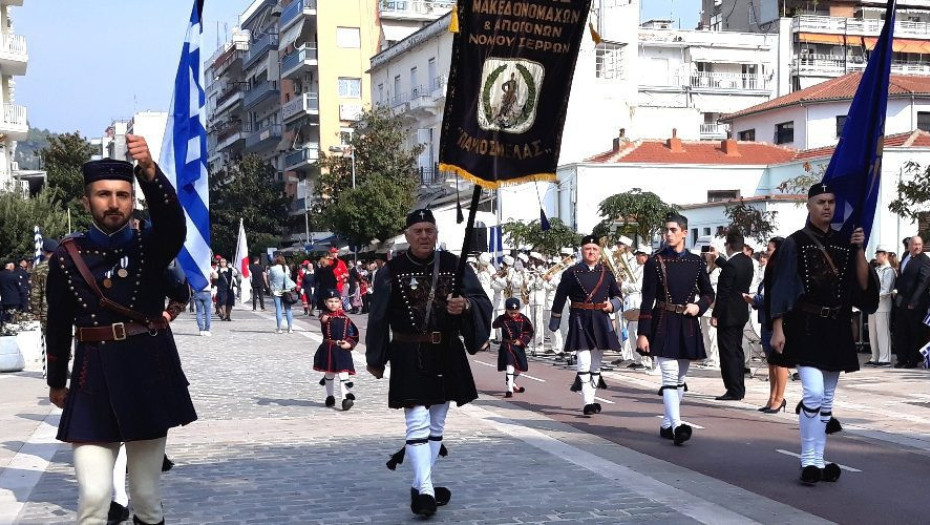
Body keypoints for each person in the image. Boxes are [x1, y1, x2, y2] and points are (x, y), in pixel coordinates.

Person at [44, 137, 197, 525]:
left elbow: (174, 224)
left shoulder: (151, 245)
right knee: (94, 498)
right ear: (87, 202)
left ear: (132, 200)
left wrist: (149, 171)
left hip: (148, 372)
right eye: (103, 194)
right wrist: (56, 381)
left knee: (145, 497)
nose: (113, 203)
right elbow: (57, 323)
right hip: (91, 378)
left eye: (122, 195)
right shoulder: (66, 256)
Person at [365, 208, 491, 518]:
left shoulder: (454, 265)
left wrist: (465, 305)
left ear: (436, 234)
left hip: (446, 351)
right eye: (418, 231)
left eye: (429, 230)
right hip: (408, 353)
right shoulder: (390, 270)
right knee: (416, 421)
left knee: (436, 424)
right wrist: (376, 357)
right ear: (407, 235)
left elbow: (482, 301)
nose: (424, 236)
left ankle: (423, 485)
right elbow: (378, 316)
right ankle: (424, 490)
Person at [769, 182, 878, 485]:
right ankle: (808, 459)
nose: (827, 206)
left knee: (827, 400)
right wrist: (777, 327)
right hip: (805, 326)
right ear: (809, 206)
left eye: (831, 201)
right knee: (814, 393)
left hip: (837, 326)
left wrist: (859, 249)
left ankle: (819, 458)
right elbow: (782, 286)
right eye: (821, 202)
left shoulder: (845, 242)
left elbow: (863, 286)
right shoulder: (795, 242)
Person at [637, 213, 715, 446]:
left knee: (680, 377)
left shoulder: (696, 261)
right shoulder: (655, 261)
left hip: (687, 322)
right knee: (670, 375)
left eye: (673, 230)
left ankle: (666, 424)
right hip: (663, 320)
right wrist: (643, 332)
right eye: (666, 230)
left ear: (684, 232)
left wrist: (698, 306)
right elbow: (647, 299)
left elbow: (709, 293)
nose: (668, 234)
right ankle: (678, 425)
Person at [549, 234, 623, 416]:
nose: (591, 252)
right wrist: (555, 321)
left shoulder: (606, 272)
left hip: (600, 318)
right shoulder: (571, 273)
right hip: (579, 317)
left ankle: (592, 397)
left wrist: (612, 305)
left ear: (599, 252)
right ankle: (587, 402)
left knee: (596, 363)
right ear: (582, 251)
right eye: (587, 249)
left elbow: (618, 296)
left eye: (595, 249)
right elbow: (559, 297)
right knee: (583, 359)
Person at [746, 236, 788, 413]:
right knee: (771, 362)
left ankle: (779, 398)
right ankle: (772, 398)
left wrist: (755, 299)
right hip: (765, 321)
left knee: (780, 362)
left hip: (778, 323)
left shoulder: (783, 272)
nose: (765, 253)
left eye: (769, 249)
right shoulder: (769, 272)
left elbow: (777, 298)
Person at [711, 230, 754, 401]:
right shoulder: (747, 261)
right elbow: (733, 270)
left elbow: (723, 293)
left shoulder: (731, 265)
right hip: (740, 312)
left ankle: (733, 389)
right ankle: (739, 387)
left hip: (728, 314)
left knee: (728, 353)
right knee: (737, 351)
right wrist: (718, 259)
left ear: (728, 245)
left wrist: (716, 314)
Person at [314, 289, 359, 411]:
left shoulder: (346, 319)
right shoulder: (325, 316)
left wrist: (349, 344)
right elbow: (323, 319)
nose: (333, 304)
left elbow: (353, 334)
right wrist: (324, 318)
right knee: (330, 373)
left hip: (342, 350)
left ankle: (345, 399)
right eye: (330, 301)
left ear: (340, 302)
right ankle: (330, 396)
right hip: (329, 349)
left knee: (344, 373)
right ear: (325, 302)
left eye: (336, 301)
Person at [892, 235, 930, 368]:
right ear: (909, 246)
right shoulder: (905, 256)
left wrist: (914, 300)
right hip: (901, 300)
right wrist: (896, 290)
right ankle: (902, 358)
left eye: (919, 244)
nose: (917, 247)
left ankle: (913, 360)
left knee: (914, 332)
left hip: (916, 302)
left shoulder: (925, 260)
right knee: (901, 331)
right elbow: (901, 276)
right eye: (915, 244)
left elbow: (923, 282)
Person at [493, 297, 533, 398]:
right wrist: (498, 322)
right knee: (509, 366)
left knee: (520, 368)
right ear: (506, 310)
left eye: (515, 313)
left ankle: (511, 382)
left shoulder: (523, 319)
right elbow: (494, 325)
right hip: (507, 346)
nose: (513, 315)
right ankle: (509, 389)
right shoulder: (503, 318)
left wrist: (522, 341)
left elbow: (529, 331)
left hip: (518, 346)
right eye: (511, 313)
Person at [867, 246, 896, 367]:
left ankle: (885, 358)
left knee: (882, 332)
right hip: (873, 305)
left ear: (885, 254)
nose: (876, 256)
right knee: (872, 332)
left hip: (883, 305)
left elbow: (886, 289)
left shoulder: (889, 270)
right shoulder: (877, 269)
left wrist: (872, 295)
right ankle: (875, 356)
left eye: (878, 254)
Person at [699, 246, 722, 370]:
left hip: (713, 304)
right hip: (705, 303)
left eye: (707, 253)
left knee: (712, 334)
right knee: (705, 333)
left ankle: (714, 360)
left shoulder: (717, 270)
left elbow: (718, 289)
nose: (705, 255)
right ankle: (708, 357)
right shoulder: (706, 268)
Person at [268, 255, 296, 334]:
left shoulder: (273, 269)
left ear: (276, 261)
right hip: (286, 290)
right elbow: (289, 277)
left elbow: (270, 279)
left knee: (278, 309)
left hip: (276, 290)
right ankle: (290, 328)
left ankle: (279, 328)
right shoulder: (286, 268)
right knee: (288, 309)